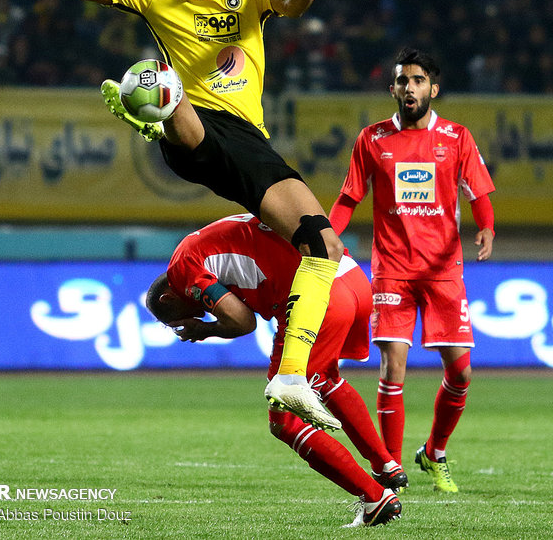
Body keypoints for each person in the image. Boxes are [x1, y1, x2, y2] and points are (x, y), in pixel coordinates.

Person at [40, 0, 342, 430]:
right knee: (172, 87)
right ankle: (154, 103)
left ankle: (291, 376)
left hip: (246, 143)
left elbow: (290, 4)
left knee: (324, 245)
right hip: (195, 132)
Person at [145, 213, 405, 527]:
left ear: (167, 298)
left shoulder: (180, 271)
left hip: (316, 296)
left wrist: (203, 329)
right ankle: (385, 464)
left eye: (175, 320)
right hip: (350, 278)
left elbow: (242, 321)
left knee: (285, 421)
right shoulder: (205, 240)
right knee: (326, 379)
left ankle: (375, 498)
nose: (190, 317)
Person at [328, 48, 496, 492]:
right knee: (392, 369)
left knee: (460, 374)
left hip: (443, 271)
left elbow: (477, 190)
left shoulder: (457, 137)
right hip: (392, 271)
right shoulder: (373, 139)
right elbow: (349, 198)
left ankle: (435, 452)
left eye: (418, 81)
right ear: (393, 89)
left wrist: (487, 228)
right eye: (402, 81)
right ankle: (389, 470)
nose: (409, 88)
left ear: (433, 89)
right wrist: (329, 237)